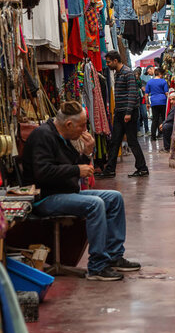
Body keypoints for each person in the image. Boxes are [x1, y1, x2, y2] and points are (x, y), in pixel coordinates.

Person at [22, 100, 141, 281]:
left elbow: (72, 165)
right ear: (69, 124)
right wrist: (77, 170)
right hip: (45, 198)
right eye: (82, 126)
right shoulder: (43, 136)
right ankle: (97, 266)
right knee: (95, 204)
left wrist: (87, 153)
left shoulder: (64, 138)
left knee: (114, 198)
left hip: (64, 193)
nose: (85, 130)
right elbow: (42, 172)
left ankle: (114, 256)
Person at [96, 51, 149, 178]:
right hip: (120, 112)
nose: (107, 64)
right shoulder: (119, 73)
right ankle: (110, 169)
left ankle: (142, 168)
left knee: (132, 141)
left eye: (108, 62)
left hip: (127, 113)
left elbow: (132, 93)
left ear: (115, 60)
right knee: (115, 141)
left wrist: (128, 112)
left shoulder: (127, 73)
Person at [145, 68, 169, 141]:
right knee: (164, 118)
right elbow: (166, 93)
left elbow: (146, 94)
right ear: (160, 74)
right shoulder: (163, 81)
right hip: (163, 101)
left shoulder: (149, 82)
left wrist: (147, 103)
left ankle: (153, 137)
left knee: (155, 119)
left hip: (154, 102)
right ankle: (164, 135)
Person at [134, 67, 149, 136]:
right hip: (136, 100)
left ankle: (147, 130)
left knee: (145, 115)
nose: (136, 75)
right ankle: (138, 131)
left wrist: (143, 89)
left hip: (142, 99)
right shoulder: (132, 82)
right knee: (138, 116)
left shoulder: (141, 81)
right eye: (135, 74)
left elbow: (144, 88)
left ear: (139, 74)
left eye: (137, 74)